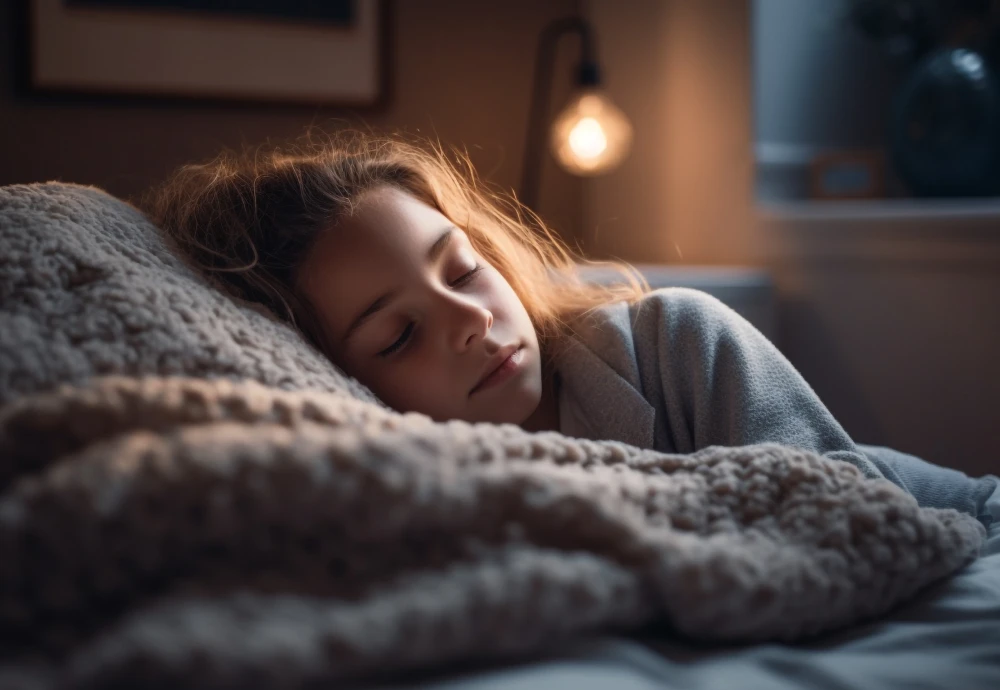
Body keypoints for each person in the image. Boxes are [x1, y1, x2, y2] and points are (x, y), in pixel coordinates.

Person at [142, 130, 997, 527]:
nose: (473, 320)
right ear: (332, 377)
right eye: (398, 337)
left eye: (464, 268)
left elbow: (842, 521)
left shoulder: (676, 343)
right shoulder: (398, 498)